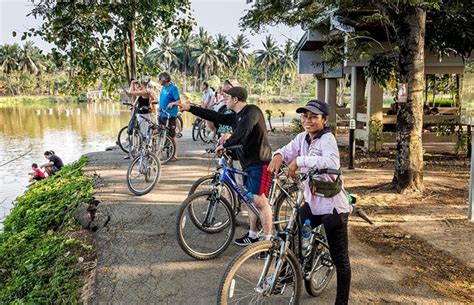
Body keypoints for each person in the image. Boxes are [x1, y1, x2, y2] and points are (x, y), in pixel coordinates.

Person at [267, 99, 352, 305]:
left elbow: (331, 162)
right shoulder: (302, 138)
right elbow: (288, 150)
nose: (308, 120)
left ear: (324, 119)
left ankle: (341, 303)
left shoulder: (327, 139)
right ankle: (287, 274)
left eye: (314, 116)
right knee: (292, 231)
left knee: (340, 260)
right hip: (313, 205)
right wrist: (278, 155)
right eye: (305, 116)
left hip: (333, 208)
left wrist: (300, 161)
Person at [173, 86, 274, 246]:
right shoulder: (235, 116)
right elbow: (215, 116)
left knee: (260, 202)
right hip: (247, 163)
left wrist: (225, 143)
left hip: (260, 163)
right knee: (248, 200)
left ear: (235, 99)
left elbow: (243, 133)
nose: (224, 100)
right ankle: (253, 234)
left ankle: (268, 242)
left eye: (227, 98)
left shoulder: (252, 111)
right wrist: (190, 108)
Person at [158, 71, 182, 161]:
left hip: (170, 115)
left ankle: (175, 154)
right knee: (161, 134)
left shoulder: (173, 88)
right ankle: (159, 154)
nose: (159, 80)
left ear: (164, 79)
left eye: (160, 79)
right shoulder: (163, 88)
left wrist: (173, 103)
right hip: (162, 114)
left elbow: (179, 102)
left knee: (172, 134)